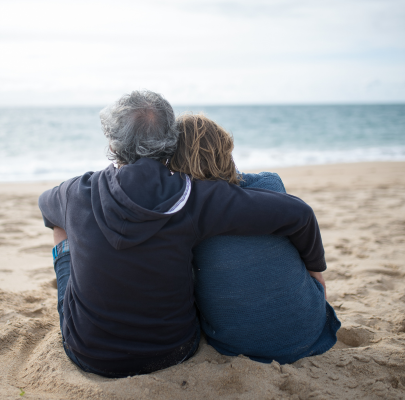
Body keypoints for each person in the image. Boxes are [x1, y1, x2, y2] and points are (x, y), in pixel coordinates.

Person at [38, 90, 327, 378]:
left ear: (113, 143)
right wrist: (316, 273)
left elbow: (46, 207)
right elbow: (298, 214)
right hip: (173, 351)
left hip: (90, 354)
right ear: (169, 140)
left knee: (64, 229)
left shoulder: (76, 191)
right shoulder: (194, 197)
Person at [169, 113, 341, 364]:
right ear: (226, 149)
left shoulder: (181, 213)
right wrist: (317, 271)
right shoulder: (269, 184)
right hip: (307, 330)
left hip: (237, 345)